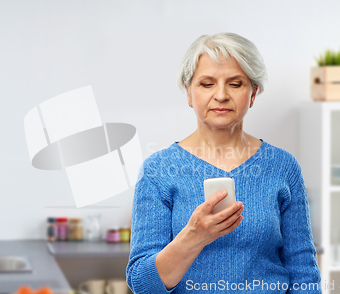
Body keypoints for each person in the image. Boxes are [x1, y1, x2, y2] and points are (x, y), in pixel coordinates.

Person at [125, 32, 322, 294]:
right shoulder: (157, 171)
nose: (220, 95)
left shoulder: (283, 167)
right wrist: (193, 237)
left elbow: (304, 274)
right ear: (189, 93)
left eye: (235, 83)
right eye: (206, 84)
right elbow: (142, 283)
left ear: (253, 93)